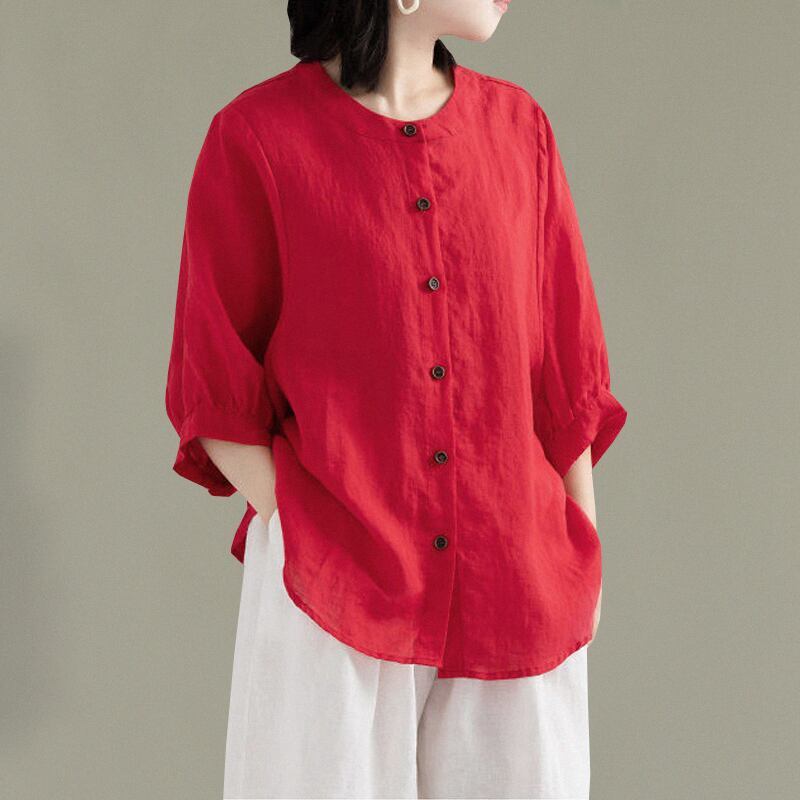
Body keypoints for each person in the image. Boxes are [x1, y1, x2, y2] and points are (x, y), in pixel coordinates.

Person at [164, 1, 628, 797]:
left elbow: (566, 374)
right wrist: (307, 527)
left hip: (517, 592)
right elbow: (212, 383)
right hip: (332, 601)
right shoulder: (258, 140)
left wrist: (584, 547)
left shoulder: (521, 132)